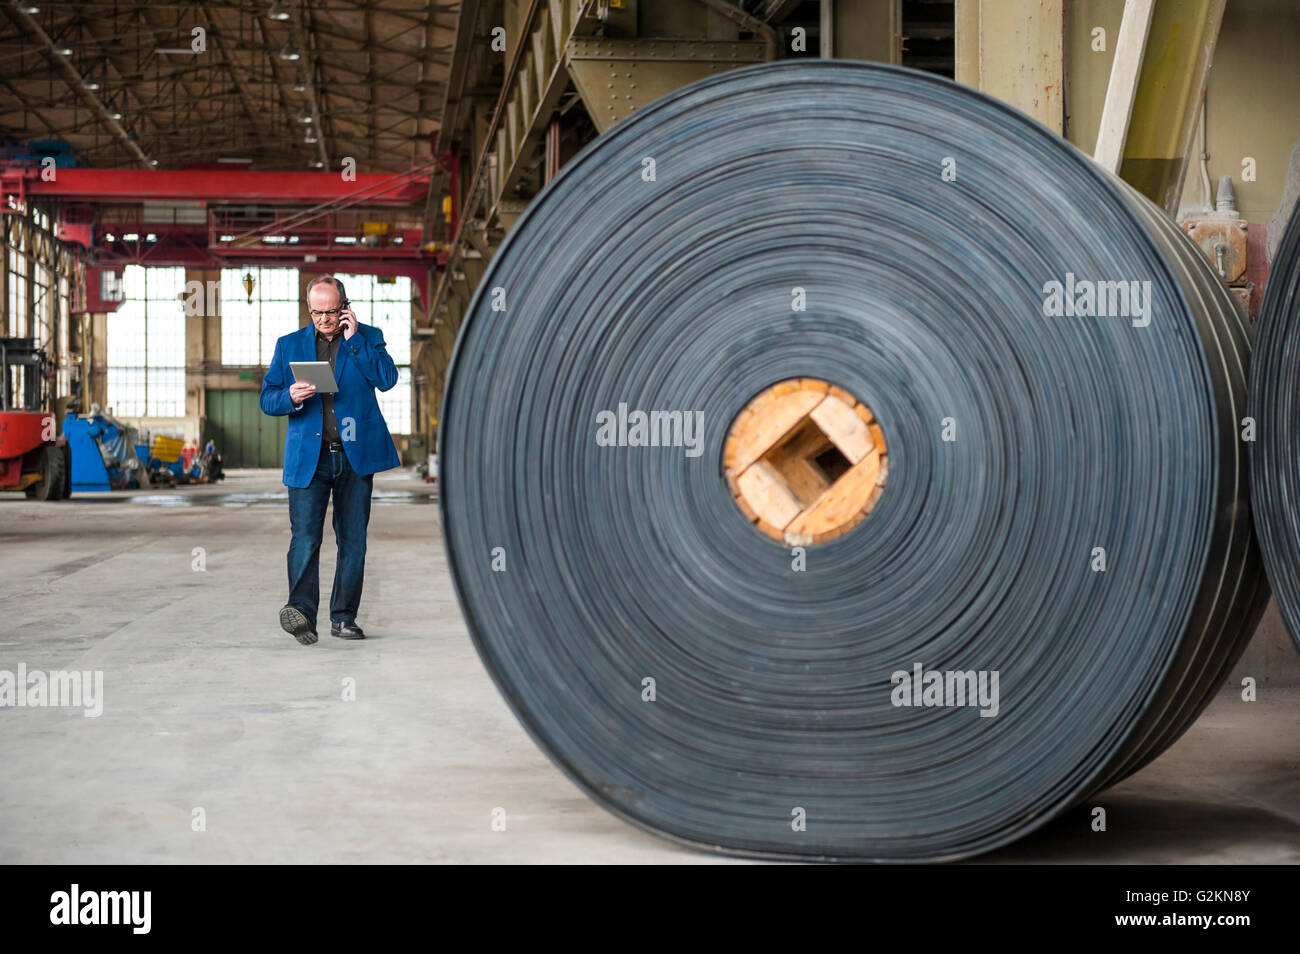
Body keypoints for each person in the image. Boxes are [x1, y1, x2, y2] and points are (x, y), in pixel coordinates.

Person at [259, 275, 400, 644]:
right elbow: (267, 399)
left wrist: (355, 343)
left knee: (353, 541)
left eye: (331, 311)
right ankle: (302, 613)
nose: (324, 319)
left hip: (355, 458)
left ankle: (344, 617)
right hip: (311, 459)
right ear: (310, 309)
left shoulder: (368, 337)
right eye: (317, 312)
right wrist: (290, 395)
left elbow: (387, 379)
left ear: (345, 306)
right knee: (305, 540)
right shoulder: (289, 345)